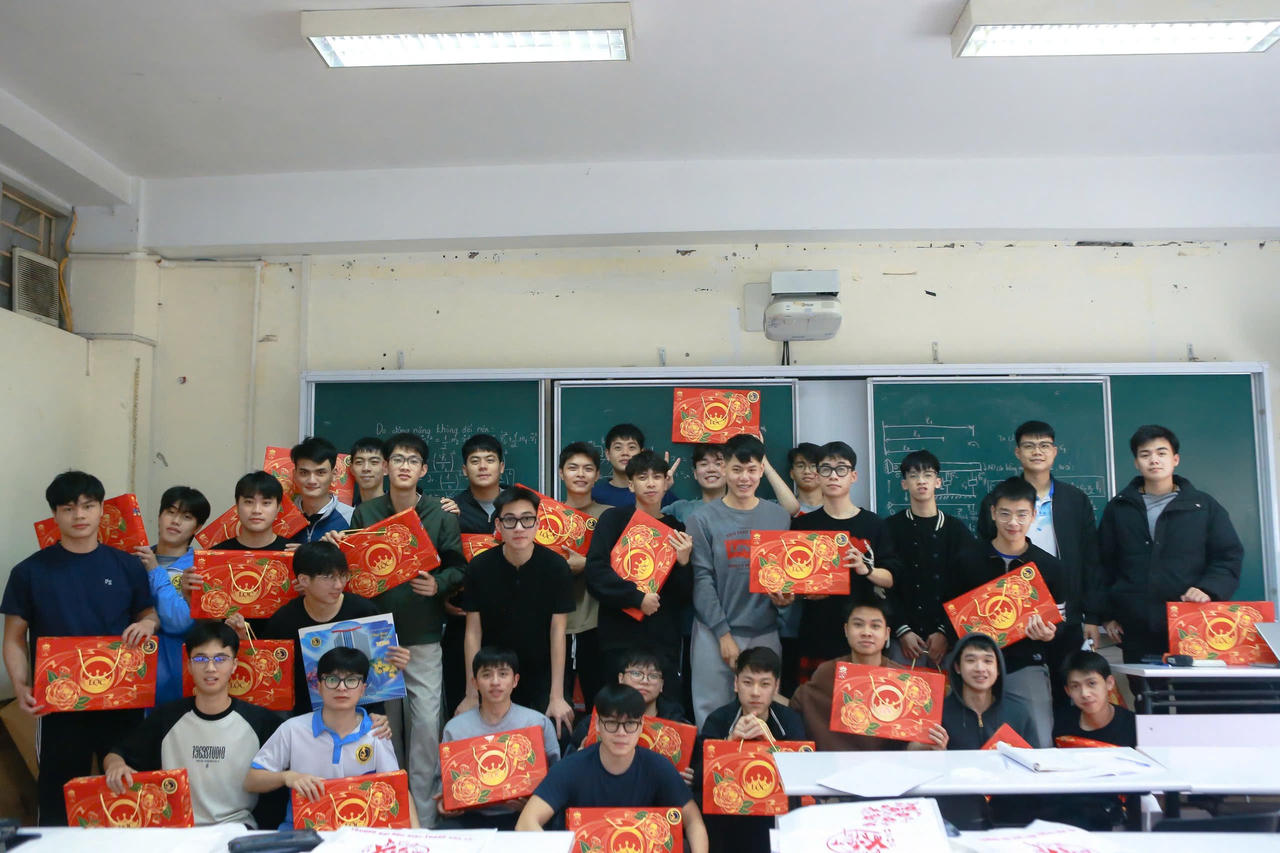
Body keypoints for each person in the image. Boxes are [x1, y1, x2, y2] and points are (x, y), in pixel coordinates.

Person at [1, 471, 159, 825]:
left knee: (128, 789)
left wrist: (149, 624)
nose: (79, 515)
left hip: (122, 696)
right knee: (58, 791)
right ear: (55, 514)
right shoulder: (30, 572)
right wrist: (22, 686)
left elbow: (147, 614)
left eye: (88, 506)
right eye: (69, 508)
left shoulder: (127, 565)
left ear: (102, 509)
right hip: (60, 700)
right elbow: (13, 637)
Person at [340, 431, 467, 828]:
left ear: (423, 469)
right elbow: (354, 571)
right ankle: (393, 814)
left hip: (423, 635)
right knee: (385, 729)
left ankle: (425, 821)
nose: (404, 467)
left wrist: (439, 584)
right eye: (397, 459)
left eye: (413, 461)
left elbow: (459, 567)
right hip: (377, 636)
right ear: (385, 466)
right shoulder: (366, 513)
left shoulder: (440, 513)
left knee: (427, 725)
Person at [103, 622, 284, 827]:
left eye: (220, 659)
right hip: (179, 829)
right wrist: (115, 766)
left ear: (234, 665)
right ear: (189, 665)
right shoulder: (167, 717)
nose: (210, 668)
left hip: (237, 828)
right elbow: (116, 754)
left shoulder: (260, 721)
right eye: (200, 659)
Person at [977, 421, 1102, 704]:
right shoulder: (997, 500)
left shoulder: (1075, 500)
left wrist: (1092, 616)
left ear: (1055, 451)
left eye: (1044, 445)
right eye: (1029, 446)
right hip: (1009, 614)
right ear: (1017, 452)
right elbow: (986, 553)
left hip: (1064, 611)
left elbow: (1091, 560)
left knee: (1066, 692)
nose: (1037, 452)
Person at [1096, 424, 1244, 663]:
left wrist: (1208, 588)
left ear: (1175, 459)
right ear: (1136, 463)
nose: (1154, 460)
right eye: (1145, 454)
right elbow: (1103, 563)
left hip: (1192, 620)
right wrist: (1106, 615)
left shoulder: (1203, 506)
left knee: (1193, 686)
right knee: (1146, 686)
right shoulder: (1119, 508)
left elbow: (1228, 556)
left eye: (1161, 453)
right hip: (1135, 625)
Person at [515, 684, 709, 853]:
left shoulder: (658, 766)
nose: (621, 733)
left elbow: (694, 823)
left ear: (641, 726)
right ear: (598, 725)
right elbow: (526, 823)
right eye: (612, 723)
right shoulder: (571, 767)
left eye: (630, 724)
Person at [688, 435, 795, 727]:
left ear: (762, 470)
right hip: (714, 631)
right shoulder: (702, 519)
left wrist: (785, 600)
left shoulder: (778, 517)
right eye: (736, 469)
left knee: (763, 713)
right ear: (724, 469)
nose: (744, 478)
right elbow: (702, 579)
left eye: (751, 470)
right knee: (711, 713)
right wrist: (723, 635)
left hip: (764, 631)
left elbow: (783, 575)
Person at [950, 476, 1064, 747]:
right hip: (974, 666)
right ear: (993, 513)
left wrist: (1050, 634)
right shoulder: (966, 560)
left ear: (1033, 515)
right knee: (969, 742)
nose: (1013, 522)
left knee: (1038, 742)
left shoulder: (1049, 567)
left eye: (1022, 514)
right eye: (1005, 514)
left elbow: (1063, 623)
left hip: (1025, 665)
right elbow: (950, 613)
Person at [245, 647, 416, 828]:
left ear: (363, 689)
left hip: (359, 832)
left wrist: (418, 837)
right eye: (332, 679)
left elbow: (397, 788)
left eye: (351, 680)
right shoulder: (292, 729)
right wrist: (287, 777)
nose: (341, 687)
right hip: (302, 832)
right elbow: (251, 781)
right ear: (319, 687)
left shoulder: (376, 732)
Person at [461, 485, 576, 736]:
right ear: (498, 525)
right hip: (495, 670)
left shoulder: (556, 567)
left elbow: (558, 632)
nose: (519, 528)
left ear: (537, 524)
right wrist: (472, 694)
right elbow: (473, 633)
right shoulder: (479, 567)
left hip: (542, 670)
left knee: (559, 728)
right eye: (510, 520)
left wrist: (556, 696)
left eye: (527, 519)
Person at [252, 540, 409, 717]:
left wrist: (396, 662)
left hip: (363, 713)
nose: (338, 585)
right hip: (307, 716)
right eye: (328, 577)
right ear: (304, 580)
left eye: (342, 576)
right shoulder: (284, 620)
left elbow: (383, 672)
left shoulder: (364, 611)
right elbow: (271, 675)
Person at [585, 451, 693, 696]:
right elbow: (596, 573)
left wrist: (684, 563)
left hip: (662, 640)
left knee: (662, 709)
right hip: (618, 637)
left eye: (657, 477)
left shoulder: (677, 529)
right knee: (616, 706)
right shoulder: (613, 519)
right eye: (643, 477)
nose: (651, 483)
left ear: (666, 482)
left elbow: (683, 596)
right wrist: (637, 598)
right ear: (631, 485)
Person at [790, 441, 899, 679]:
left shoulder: (874, 524)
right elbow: (792, 581)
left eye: (841, 469)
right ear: (818, 475)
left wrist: (866, 569)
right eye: (826, 469)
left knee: (861, 697)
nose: (833, 476)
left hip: (863, 637)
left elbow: (891, 578)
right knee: (816, 699)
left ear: (853, 476)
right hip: (817, 633)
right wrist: (802, 592)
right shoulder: (803, 525)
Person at [435, 646, 560, 830]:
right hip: (470, 817)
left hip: (523, 815)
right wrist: (445, 803)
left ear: (515, 680)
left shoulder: (537, 723)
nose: (495, 682)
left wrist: (536, 805)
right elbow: (443, 784)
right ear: (475, 682)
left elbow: (557, 778)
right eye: (486, 675)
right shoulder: (455, 729)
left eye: (503, 674)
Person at [701, 646, 805, 853]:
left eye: (764, 684)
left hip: (774, 815)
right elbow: (701, 779)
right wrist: (730, 742)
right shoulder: (718, 720)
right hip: (728, 817)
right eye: (748, 683)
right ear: (736, 684)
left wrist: (770, 743)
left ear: (776, 687)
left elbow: (802, 776)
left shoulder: (790, 720)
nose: (755, 692)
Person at [933, 633, 1039, 829]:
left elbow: (1035, 766)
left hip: (1013, 818)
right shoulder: (938, 713)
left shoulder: (1019, 712)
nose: (980, 668)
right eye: (971, 660)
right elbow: (923, 768)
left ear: (998, 669)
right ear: (957, 667)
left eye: (988, 661)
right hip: (956, 816)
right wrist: (934, 753)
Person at [885, 451, 974, 668]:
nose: (921, 481)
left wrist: (945, 632)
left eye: (928, 475)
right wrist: (902, 630)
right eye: (913, 476)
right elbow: (884, 586)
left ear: (938, 482)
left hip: (947, 640)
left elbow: (968, 586)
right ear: (904, 484)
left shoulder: (956, 530)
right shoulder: (890, 528)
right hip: (902, 639)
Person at [790, 597, 909, 752]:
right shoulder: (827, 671)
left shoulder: (901, 678)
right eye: (858, 624)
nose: (866, 633)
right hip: (833, 762)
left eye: (875, 626)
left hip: (883, 764)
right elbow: (799, 706)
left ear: (887, 634)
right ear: (846, 630)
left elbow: (909, 738)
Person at [134, 485, 211, 704]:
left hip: (176, 676)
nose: (175, 521)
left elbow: (179, 622)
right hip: (129, 669)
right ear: (159, 516)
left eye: (186, 517)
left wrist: (154, 570)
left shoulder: (201, 568)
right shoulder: (134, 559)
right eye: (170, 512)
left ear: (198, 527)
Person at [1047, 650, 1137, 830]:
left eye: (1092, 683)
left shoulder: (1132, 724)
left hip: (1117, 807)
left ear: (1109, 683)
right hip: (1070, 802)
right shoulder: (1060, 722)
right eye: (1075, 686)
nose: (1085, 693)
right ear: (1067, 691)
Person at [556, 441, 611, 716]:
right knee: (557, 702)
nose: (580, 474)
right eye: (573, 468)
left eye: (588, 469)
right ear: (560, 473)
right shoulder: (546, 517)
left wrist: (586, 565)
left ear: (597, 475)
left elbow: (623, 568)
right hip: (556, 621)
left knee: (599, 701)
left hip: (599, 620)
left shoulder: (611, 516)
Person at [569, 648, 691, 751]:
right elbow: (567, 764)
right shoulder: (596, 721)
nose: (645, 681)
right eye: (636, 674)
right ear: (621, 678)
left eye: (653, 676)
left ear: (662, 685)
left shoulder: (678, 726)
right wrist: (580, 758)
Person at [290, 436, 354, 543]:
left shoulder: (351, 517)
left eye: (320, 473)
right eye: (304, 473)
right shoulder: (282, 518)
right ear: (295, 475)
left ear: (334, 475)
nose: (312, 480)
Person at [210, 471, 291, 551]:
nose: (256, 510)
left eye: (266, 503)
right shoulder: (216, 554)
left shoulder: (291, 552)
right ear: (237, 506)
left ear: (278, 508)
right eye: (249, 502)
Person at [453, 433, 506, 533]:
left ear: (501, 467)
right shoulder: (454, 509)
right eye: (475, 461)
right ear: (465, 470)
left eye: (490, 460)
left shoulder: (519, 503)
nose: (482, 466)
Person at [663, 445, 726, 524]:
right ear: (695, 473)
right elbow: (650, 522)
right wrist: (661, 489)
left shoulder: (739, 509)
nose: (711, 469)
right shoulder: (680, 509)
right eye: (704, 464)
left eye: (718, 464)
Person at [348, 436, 386, 507]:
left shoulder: (398, 508)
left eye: (374, 462)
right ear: (352, 469)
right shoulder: (348, 511)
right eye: (359, 462)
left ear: (386, 468)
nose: (366, 468)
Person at [787, 443, 823, 512]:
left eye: (813, 466)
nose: (807, 471)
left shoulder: (837, 508)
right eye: (800, 466)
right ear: (792, 473)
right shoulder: (780, 508)